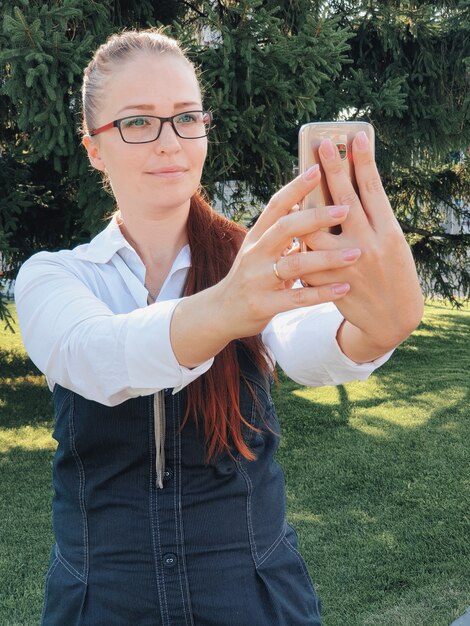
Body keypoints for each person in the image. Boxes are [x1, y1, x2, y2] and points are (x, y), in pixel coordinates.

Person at [15, 28, 423, 626]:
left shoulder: (250, 259)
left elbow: (309, 342)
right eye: (137, 122)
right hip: (100, 604)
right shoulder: (54, 276)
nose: (168, 142)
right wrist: (229, 306)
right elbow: (93, 355)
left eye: (185, 117)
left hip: (251, 599)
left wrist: (375, 329)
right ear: (94, 147)